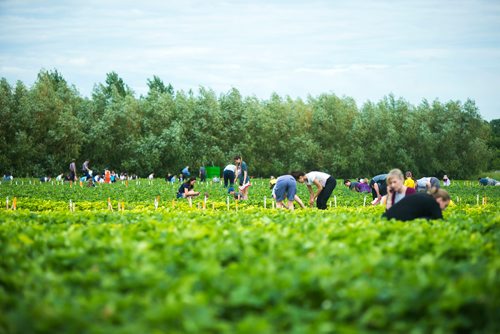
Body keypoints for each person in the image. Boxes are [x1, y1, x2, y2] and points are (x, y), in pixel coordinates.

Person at [382, 188, 451, 221]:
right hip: (393, 220)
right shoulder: (433, 202)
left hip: (386, 217)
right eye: (445, 205)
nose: (444, 209)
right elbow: (439, 219)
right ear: (440, 199)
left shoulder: (424, 196)